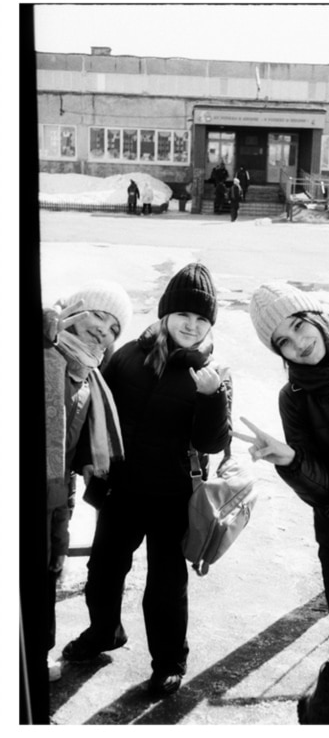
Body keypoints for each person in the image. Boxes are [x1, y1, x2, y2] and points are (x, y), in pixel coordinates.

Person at [62, 263, 232, 698]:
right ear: (165, 315)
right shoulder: (128, 357)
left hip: (174, 497)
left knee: (165, 586)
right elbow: (100, 417)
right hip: (122, 490)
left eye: (201, 319)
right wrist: (93, 473)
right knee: (102, 571)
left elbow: (211, 442)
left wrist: (212, 397)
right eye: (183, 316)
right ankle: (105, 632)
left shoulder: (213, 373)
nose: (191, 326)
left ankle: (169, 661)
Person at [236, 283, 329, 723]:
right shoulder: (294, 398)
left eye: (299, 327)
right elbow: (326, 492)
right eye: (283, 341)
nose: (298, 344)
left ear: (316, 317)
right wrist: (291, 460)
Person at [43, 281, 132, 682]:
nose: (104, 330)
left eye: (114, 327)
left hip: (59, 493)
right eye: (98, 315)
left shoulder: (88, 373)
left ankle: (36, 654)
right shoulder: (44, 348)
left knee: (47, 572)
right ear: (75, 310)